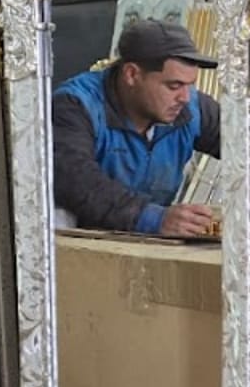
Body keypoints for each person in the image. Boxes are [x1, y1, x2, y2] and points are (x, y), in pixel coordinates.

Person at [52, 17, 220, 238]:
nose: (185, 98)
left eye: (190, 85)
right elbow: (76, 180)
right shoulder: (76, 105)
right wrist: (154, 219)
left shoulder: (193, 109)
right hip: (78, 241)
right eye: (174, 85)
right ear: (132, 74)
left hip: (144, 240)